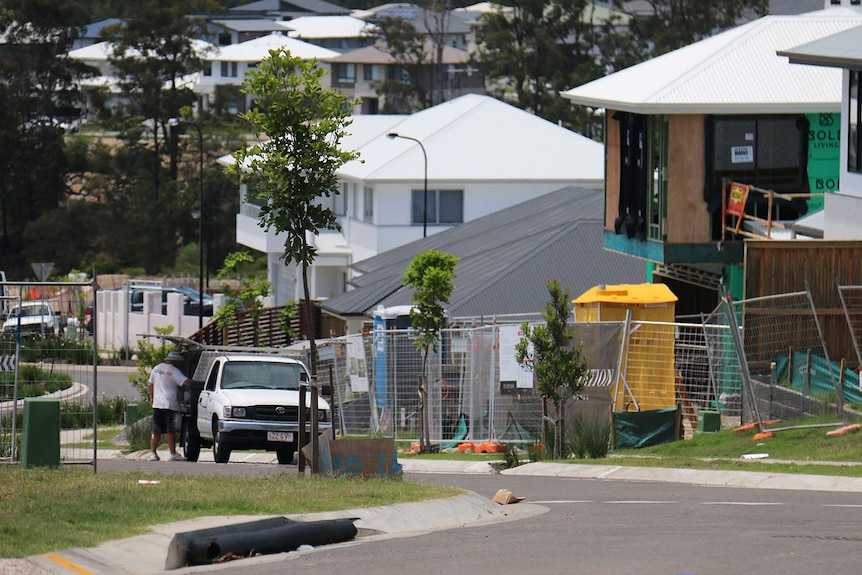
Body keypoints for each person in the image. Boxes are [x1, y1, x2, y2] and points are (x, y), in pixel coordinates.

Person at [146, 350, 190, 461]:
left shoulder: (156, 368)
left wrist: (152, 398)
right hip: (169, 404)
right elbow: (186, 382)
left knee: (156, 430)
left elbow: (151, 384)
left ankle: (153, 453)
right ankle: (172, 453)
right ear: (176, 361)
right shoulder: (175, 371)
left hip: (157, 403)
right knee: (170, 430)